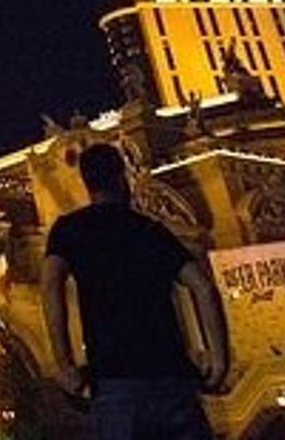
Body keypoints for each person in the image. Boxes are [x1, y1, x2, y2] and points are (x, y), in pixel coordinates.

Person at [41, 144, 230, 440]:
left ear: (86, 182)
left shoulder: (70, 230)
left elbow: (50, 284)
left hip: (114, 380)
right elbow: (203, 288)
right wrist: (219, 358)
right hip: (172, 376)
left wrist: (63, 362)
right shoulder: (150, 229)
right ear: (122, 177)